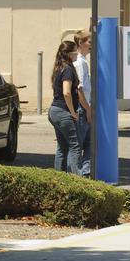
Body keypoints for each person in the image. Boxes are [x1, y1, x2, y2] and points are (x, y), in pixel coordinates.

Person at [48, 39, 83, 173]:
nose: (77, 53)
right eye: (75, 51)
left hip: (54, 111)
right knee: (75, 146)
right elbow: (66, 92)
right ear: (68, 54)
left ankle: (59, 179)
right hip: (63, 111)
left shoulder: (59, 67)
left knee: (62, 147)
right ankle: (77, 179)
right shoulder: (67, 69)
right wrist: (73, 112)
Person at [73, 29, 94, 177]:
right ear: (81, 43)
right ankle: (79, 174)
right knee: (79, 145)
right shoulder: (80, 63)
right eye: (90, 42)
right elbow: (79, 89)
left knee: (89, 144)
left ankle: (85, 173)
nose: (92, 45)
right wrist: (87, 109)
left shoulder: (84, 61)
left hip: (85, 107)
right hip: (82, 108)